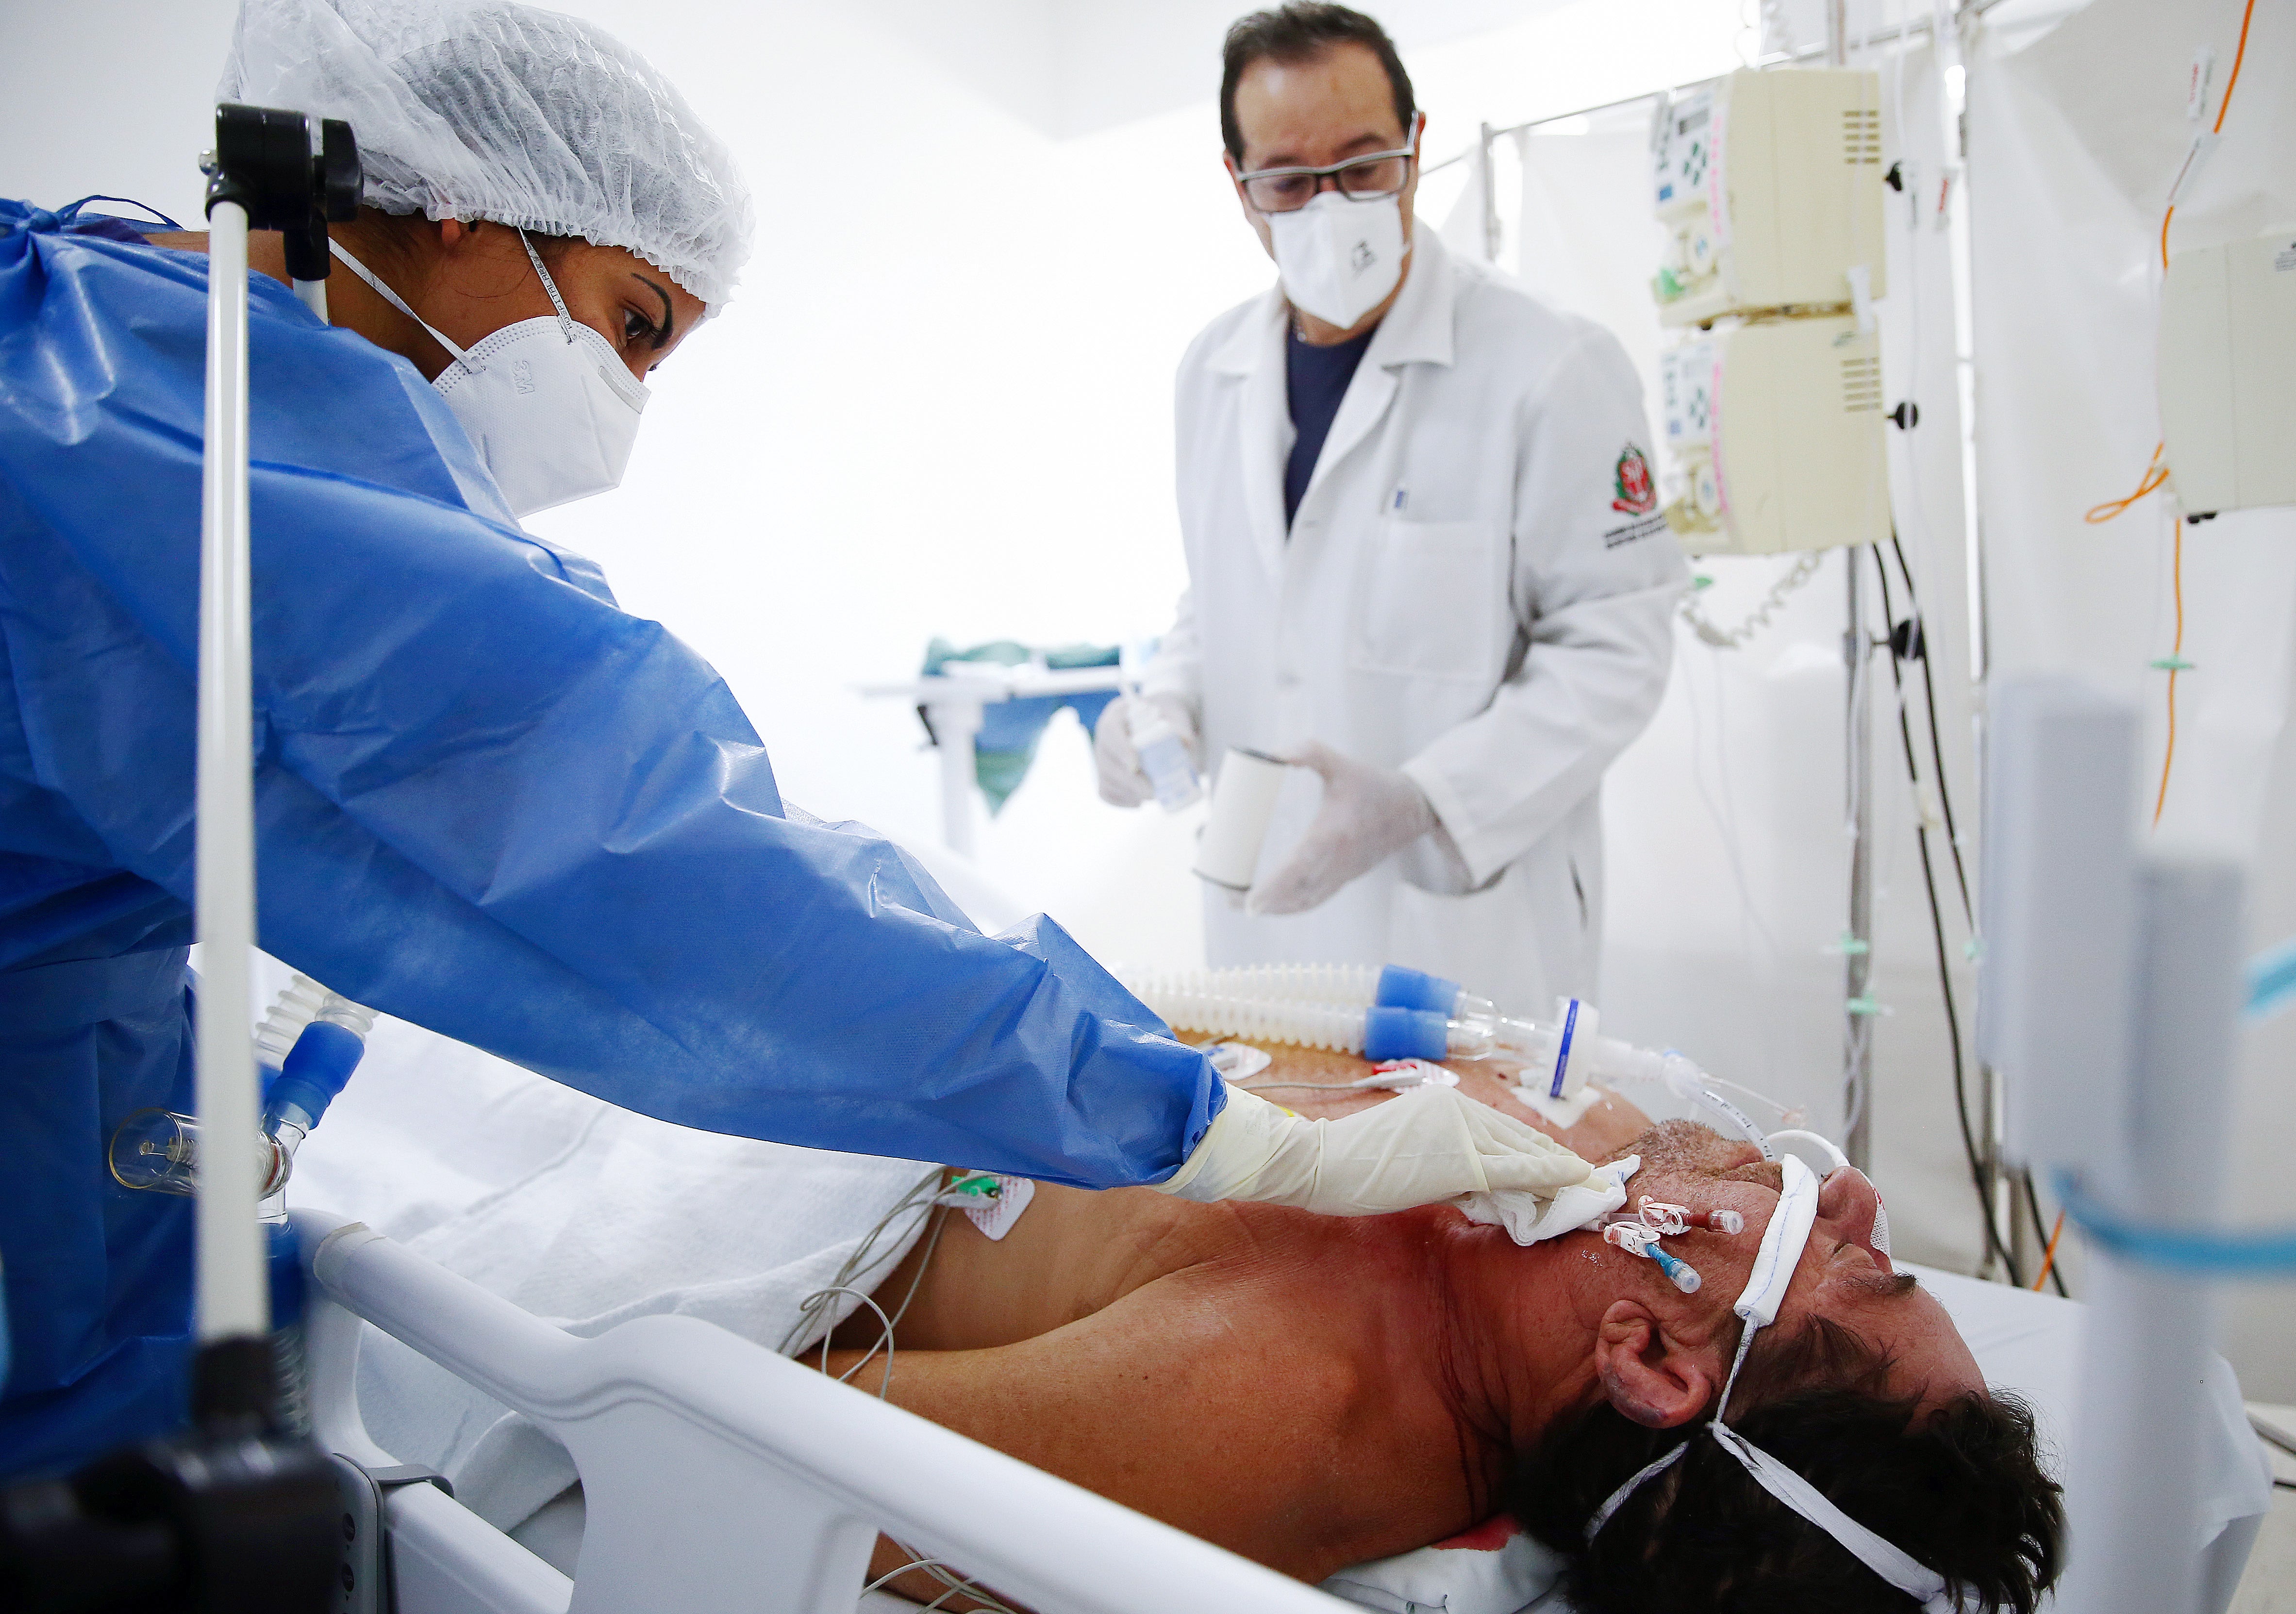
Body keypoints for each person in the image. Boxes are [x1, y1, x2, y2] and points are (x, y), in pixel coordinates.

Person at [0, 0, 1597, 1479]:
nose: (623, 400)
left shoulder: (93, 330)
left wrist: (1401, 819)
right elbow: (664, 862)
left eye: (1359, 165)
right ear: (455, 200)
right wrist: (1193, 1112)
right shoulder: (192, 468)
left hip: (1461, 878)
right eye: (632, 326)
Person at [816, 1073, 2063, 1609]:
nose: (1845, 1199)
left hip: (764, 1156)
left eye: (1849, 1265)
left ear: (1653, 1363)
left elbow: (741, 1443)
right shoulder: (1590, 1162)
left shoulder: (1283, 1404)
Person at [1093, 4, 1688, 1015]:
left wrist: (1424, 801)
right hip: (1263, 935)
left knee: (1471, 1171)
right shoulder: (1212, 369)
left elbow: (1616, 642)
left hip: (1460, 933)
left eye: (1364, 167)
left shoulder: (1550, 365)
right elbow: (1229, 595)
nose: (1331, 210)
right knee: (1274, 1163)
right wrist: (1166, 701)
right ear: (1238, 189)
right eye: (1287, 180)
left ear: (1416, 146)